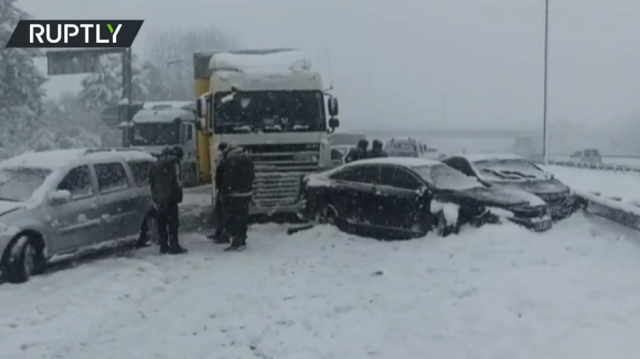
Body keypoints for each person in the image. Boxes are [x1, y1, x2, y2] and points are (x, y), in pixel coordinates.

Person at [148, 146, 187, 254]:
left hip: (160, 199)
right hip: (170, 199)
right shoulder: (172, 164)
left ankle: (164, 246)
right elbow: (174, 182)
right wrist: (178, 191)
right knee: (173, 223)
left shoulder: (154, 165)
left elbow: (151, 181)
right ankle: (174, 246)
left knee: (162, 224)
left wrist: (156, 196)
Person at [218, 143, 255, 251]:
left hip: (234, 194)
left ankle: (236, 241)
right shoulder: (247, 158)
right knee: (242, 217)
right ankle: (242, 239)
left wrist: (224, 190)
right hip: (246, 193)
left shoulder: (231, 160)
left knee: (233, 218)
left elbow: (227, 178)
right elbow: (252, 175)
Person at [208, 142, 230, 243]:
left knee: (224, 213)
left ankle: (224, 234)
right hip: (221, 189)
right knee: (220, 211)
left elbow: (224, 175)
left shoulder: (227, 159)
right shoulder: (224, 158)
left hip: (224, 189)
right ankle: (219, 232)